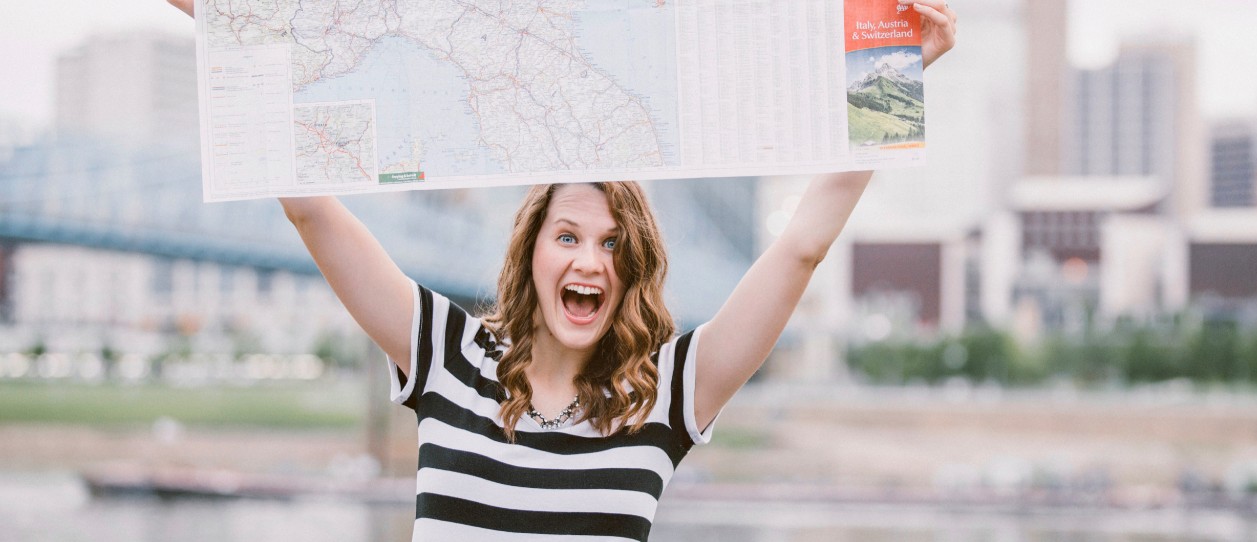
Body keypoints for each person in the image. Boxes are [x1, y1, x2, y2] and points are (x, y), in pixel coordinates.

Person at [166, 1, 956, 539]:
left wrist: (892, 74)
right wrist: (227, 24)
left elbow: (799, 249)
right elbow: (312, 211)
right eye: (569, 236)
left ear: (635, 268)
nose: (589, 260)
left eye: (614, 245)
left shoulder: (669, 395)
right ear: (532, 252)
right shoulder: (446, 356)